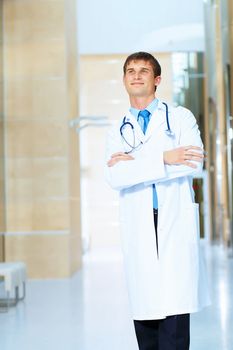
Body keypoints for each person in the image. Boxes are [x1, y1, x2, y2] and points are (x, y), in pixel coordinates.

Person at [105, 52, 210, 350]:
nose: (136, 75)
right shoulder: (118, 129)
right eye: (130, 71)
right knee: (146, 316)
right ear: (124, 80)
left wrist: (135, 163)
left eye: (144, 71)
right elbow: (115, 177)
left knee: (175, 313)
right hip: (139, 222)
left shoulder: (180, 117)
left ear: (157, 80)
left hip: (173, 221)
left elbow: (193, 163)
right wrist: (164, 157)